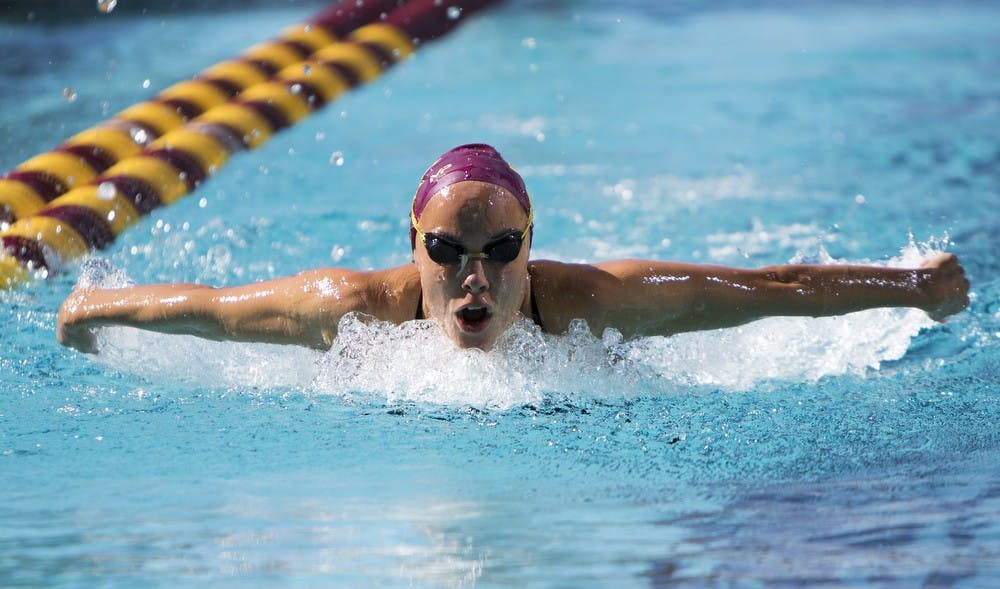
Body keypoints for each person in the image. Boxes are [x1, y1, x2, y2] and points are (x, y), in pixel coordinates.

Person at [57, 143, 970, 354]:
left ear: (533, 243)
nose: (476, 276)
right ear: (411, 245)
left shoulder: (589, 302)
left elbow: (767, 288)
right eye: (448, 251)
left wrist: (913, 286)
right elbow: (215, 307)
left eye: (500, 248)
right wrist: (91, 306)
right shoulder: (352, 310)